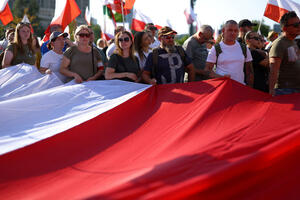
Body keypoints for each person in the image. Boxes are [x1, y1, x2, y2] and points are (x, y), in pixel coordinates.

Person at [204, 20, 254, 86]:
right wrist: (221, 77)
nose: (233, 33)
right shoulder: (216, 48)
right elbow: (207, 70)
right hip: (222, 88)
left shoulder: (244, 48)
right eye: (230, 30)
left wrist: (249, 90)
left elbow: (249, 72)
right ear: (223, 31)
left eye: (236, 31)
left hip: (240, 88)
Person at [269, 11, 300, 96]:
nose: (299, 27)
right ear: (285, 28)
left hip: (295, 90)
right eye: (296, 25)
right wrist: (271, 92)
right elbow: (273, 71)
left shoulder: (292, 41)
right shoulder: (279, 44)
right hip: (284, 91)